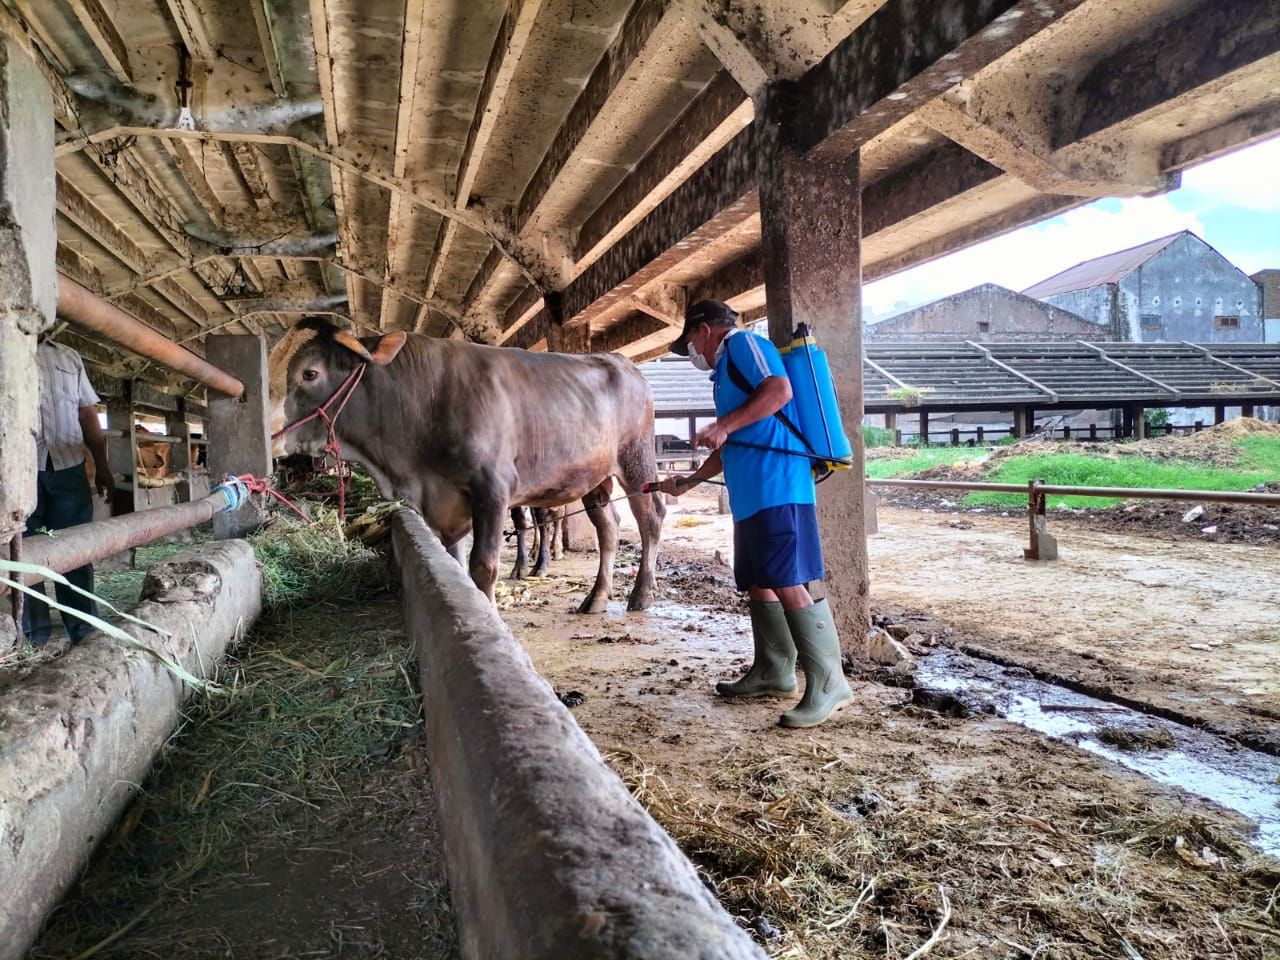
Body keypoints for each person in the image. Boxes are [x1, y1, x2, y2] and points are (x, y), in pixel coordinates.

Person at [656, 300, 853, 728]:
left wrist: (724, 424)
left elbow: (780, 390)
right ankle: (773, 671)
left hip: (777, 485)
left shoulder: (744, 345)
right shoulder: (724, 375)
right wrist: (690, 481)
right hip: (750, 494)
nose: (691, 352)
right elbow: (732, 443)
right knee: (759, 580)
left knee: (786, 580)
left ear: (704, 330)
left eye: (689, 342)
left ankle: (830, 683)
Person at [23, 337, 114, 646]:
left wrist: (102, 466)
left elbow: (87, 413)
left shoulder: (69, 357)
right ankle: (32, 637)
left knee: (75, 549)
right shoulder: (7, 345)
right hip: (20, 469)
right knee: (21, 552)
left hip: (69, 468)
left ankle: (83, 631)